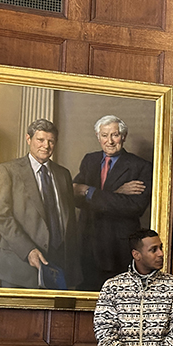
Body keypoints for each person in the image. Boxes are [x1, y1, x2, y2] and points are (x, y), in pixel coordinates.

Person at [0, 118, 82, 289]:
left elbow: (68, 222)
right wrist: (28, 251)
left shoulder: (63, 174)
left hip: (59, 267)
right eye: (40, 140)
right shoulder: (7, 171)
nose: (45, 146)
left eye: (51, 141)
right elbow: (0, 216)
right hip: (19, 267)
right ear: (28, 139)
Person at [73, 115, 153, 291]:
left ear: (123, 137)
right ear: (97, 136)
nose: (109, 141)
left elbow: (135, 207)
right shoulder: (90, 160)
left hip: (117, 248)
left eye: (115, 135)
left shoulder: (140, 166)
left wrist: (90, 191)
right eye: (104, 135)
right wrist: (116, 193)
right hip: (87, 245)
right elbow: (73, 196)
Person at [94, 229, 173, 346]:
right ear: (136, 255)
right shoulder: (112, 287)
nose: (161, 254)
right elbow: (104, 330)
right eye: (153, 250)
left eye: (161, 248)